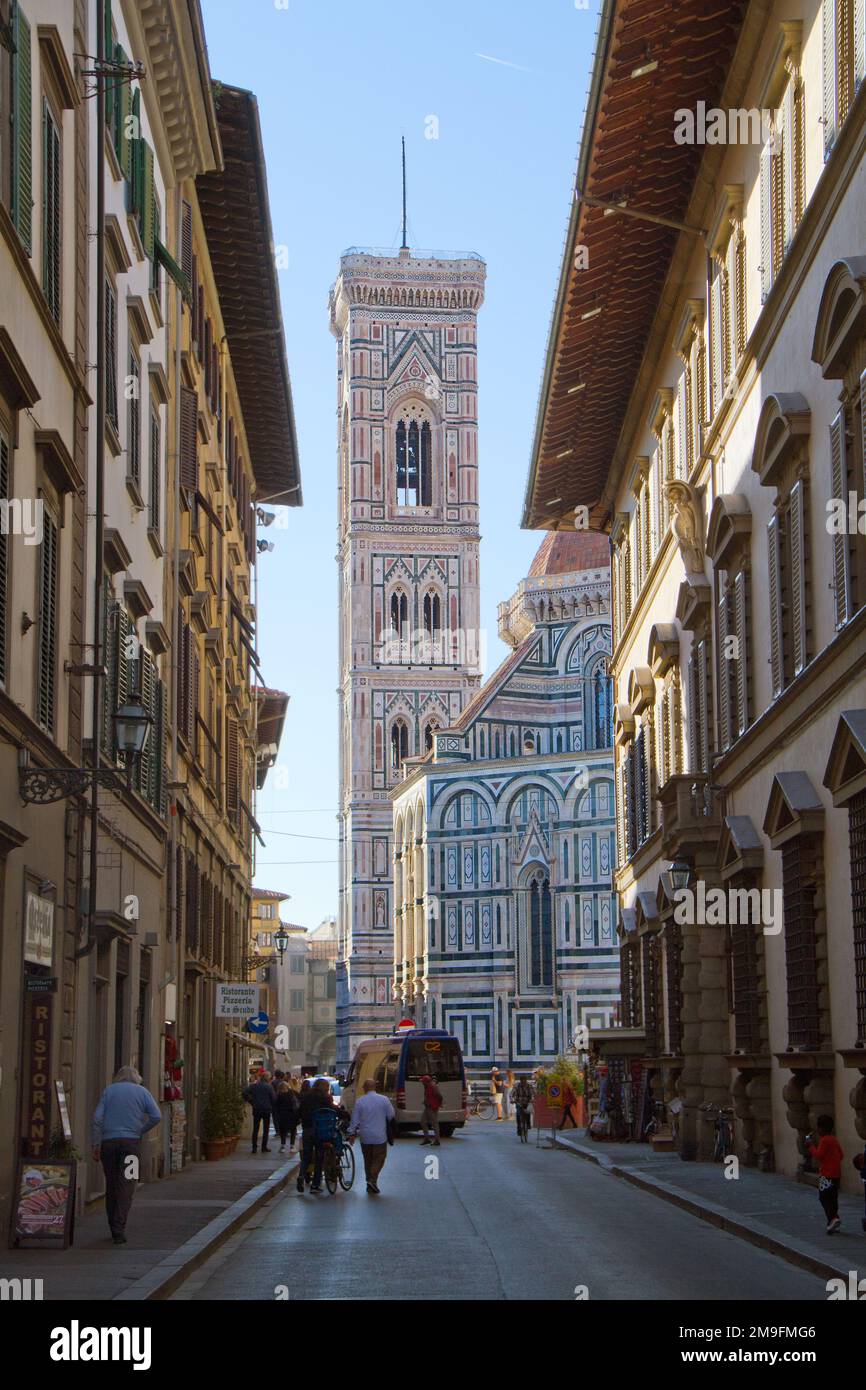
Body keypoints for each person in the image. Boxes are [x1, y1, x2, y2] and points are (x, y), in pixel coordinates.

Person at [90, 1066, 161, 1245]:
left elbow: (97, 1118)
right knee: (128, 1185)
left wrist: (96, 1143)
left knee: (112, 1184)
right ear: (137, 1078)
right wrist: (140, 1130)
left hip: (109, 1144)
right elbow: (156, 1116)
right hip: (131, 1144)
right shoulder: (142, 1092)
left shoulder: (109, 1091)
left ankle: (112, 1225)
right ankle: (119, 1228)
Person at [348, 1078, 395, 1194]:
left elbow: (354, 1120)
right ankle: (372, 1180)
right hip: (380, 1136)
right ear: (375, 1087)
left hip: (365, 1136)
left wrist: (351, 1133)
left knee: (368, 1160)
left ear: (364, 1088)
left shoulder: (360, 1101)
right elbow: (391, 1115)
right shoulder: (384, 1100)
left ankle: (370, 1183)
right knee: (379, 1159)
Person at [806, 1115, 844, 1234]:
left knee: (824, 1198)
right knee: (833, 1198)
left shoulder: (824, 1140)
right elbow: (841, 1155)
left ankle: (833, 1219)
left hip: (826, 1174)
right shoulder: (834, 1139)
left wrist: (810, 1146)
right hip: (836, 1174)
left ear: (821, 1129)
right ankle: (834, 1222)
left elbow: (819, 1155)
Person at [297, 1078, 336, 1192]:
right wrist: (345, 1114)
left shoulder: (305, 1096)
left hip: (307, 1130)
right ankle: (315, 1184)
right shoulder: (324, 1098)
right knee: (319, 1157)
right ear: (324, 1087)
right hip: (320, 1130)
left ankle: (301, 1176)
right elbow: (332, 1110)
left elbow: (299, 1112)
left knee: (306, 1156)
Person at [243, 1073, 276, 1154]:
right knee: (266, 1129)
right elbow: (274, 1098)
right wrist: (271, 1105)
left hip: (257, 1109)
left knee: (255, 1129)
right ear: (267, 1079)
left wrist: (251, 1101)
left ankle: (254, 1147)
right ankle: (263, 1147)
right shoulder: (269, 1087)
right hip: (266, 1110)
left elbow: (244, 1093)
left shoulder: (254, 1086)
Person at [273, 1082, 300, 1154]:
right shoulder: (292, 1093)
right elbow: (298, 1101)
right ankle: (292, 1146)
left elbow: (276, 1106)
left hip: (282, 1115)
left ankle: (283, 1146)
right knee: (293, 1130)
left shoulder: (279, 1095)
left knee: (283, 1131)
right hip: (292, 1114)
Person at [419, 1073, 443, 1146]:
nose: (422, 1083)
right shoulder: (427, 1086)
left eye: (423, 1082)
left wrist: (438, 1104)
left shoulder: (432, 1086)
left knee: (434, 1123)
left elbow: (439, 1096)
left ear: (426, 1082)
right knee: (423, 1121)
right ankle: (427, 1138)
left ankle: (437, 1140)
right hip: (428, 1106)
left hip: (432, 1107)